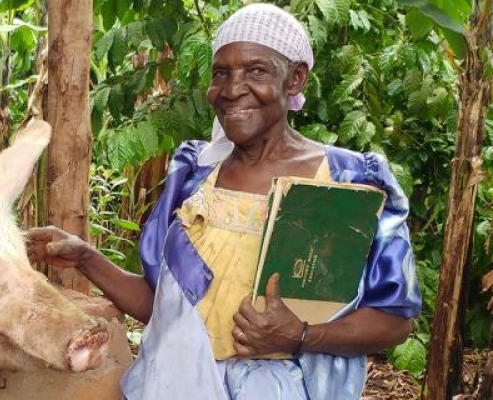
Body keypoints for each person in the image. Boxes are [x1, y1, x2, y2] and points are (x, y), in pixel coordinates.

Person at [26, 4, 420, 399]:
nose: (232, 89)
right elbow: (161, 308)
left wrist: (302, 335)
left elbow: (393, 321)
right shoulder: (193, 177)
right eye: (222, 73)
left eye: (257, 71)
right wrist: (84, 258)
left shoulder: (349, 182)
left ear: (295, 79)